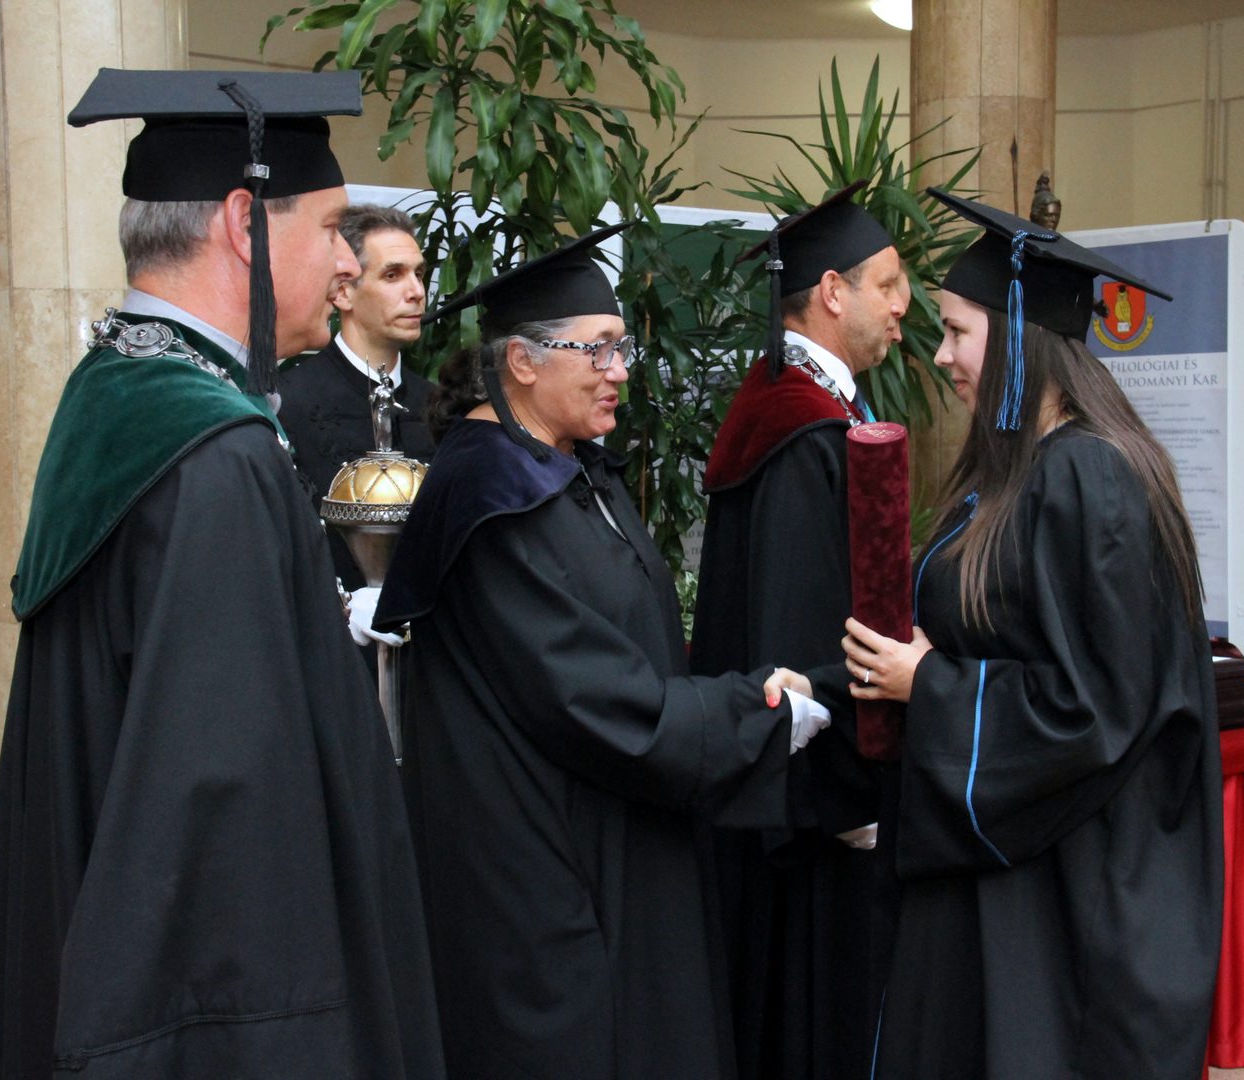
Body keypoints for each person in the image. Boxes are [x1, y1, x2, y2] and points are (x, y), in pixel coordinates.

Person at [0, 69, 444, 1079]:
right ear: (244, 223)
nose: (348, 266)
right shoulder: (215, 458)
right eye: (333, 231)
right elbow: (225, 818)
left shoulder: (121, 387)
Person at [373, 225, 830, 1080]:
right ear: (522, 362)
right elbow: (588, 696)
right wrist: (758, 714)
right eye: (601, 349)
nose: (621, 371)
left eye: (624, 349)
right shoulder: (492, 500)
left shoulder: (574, 468)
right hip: (543, 877)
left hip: (617, 834)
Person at [835, 190, 1223, 1079]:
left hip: (1070, 887)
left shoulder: (1090, 478)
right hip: (1012, 868)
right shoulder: (1021, 471)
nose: (941, 355)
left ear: (1019, 337)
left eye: (957, 332)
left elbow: (1097, 709)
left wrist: (930, 685)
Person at [690, 182, 905, 1080]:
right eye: (887, 284)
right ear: (832, 292)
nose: (904, 306)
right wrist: (846, 788)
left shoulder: (790, 406)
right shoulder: (805, 431)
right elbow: (804, 625)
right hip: (808, 812)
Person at [279, 204, 434, 581]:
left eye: (419, 274)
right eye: (392, 275)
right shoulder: (286, 402)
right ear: (344, 291)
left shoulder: (441, 405)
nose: (416, 292)